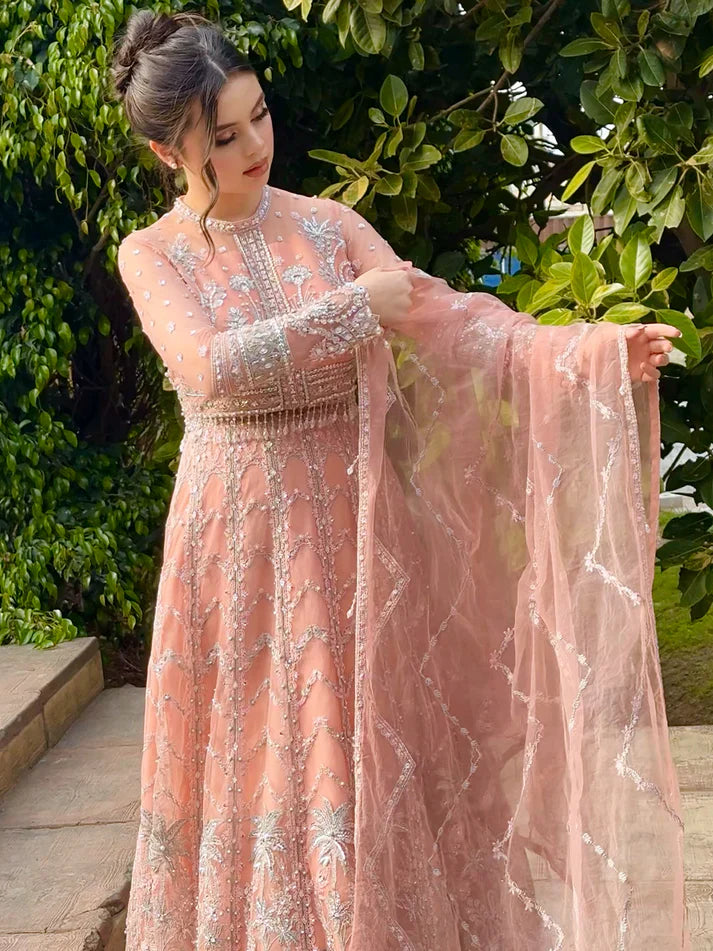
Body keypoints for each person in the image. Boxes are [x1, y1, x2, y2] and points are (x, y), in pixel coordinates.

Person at [111, 10, 689, 951]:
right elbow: (209, 368)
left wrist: (588, 352)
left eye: (260, 116)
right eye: (222, 136)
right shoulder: (152, 254)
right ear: (165, 151)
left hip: (355, 531)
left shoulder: (328, 225)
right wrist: (351, 311)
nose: (255, 145)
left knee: (360, 753)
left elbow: (454, 323)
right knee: (261, 757)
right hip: (236, 545)